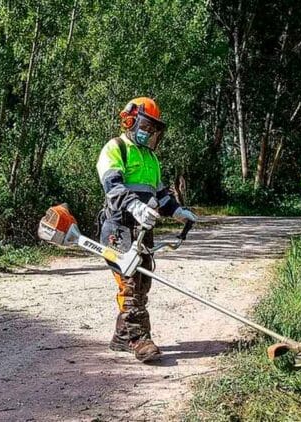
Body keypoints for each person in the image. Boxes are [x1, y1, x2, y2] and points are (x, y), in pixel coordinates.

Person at [96, 97, 197, 362]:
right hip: (118, 227)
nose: (149, 132)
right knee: (129, 281)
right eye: (145, 125)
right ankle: (138, 338)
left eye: (153, 128)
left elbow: (160, 194)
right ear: (129, 120)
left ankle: (121, 335)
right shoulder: (116, 148)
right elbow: (113, 187)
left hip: (143, 230)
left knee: (142, 283)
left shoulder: (151, 158)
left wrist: (176, 210)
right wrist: (133, 206)